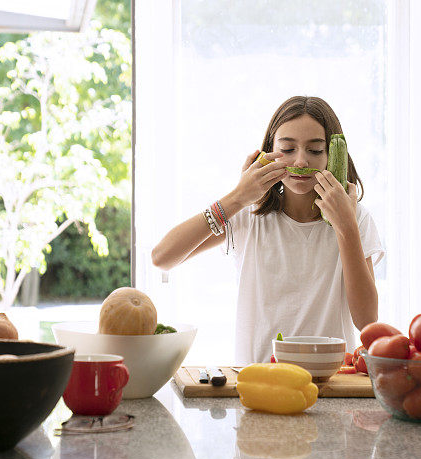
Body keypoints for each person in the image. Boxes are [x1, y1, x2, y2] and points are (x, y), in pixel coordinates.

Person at [151, 96, 384, 365]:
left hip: (330, 379)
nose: (299, 161)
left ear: (333, 156)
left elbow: (367, 320)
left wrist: (346, 227)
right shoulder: (248, 213)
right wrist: (236, 198)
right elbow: (162, 257)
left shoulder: (356, 218)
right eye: (287, 149)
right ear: (269, 151)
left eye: (315, 150)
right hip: (258, 378)